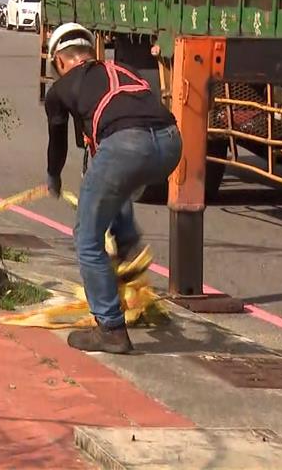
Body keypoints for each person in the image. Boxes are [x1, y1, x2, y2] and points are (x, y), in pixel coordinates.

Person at [44, 23, 182, 354]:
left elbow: (59, 144)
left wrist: (54, 176)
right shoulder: (122, 69)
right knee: (115, 182)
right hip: (171, 144)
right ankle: (128, 244)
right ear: (90, 52)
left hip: (126, 147)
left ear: (61, 61)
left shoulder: (61, 89)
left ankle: (110, 328)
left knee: (87, 238)